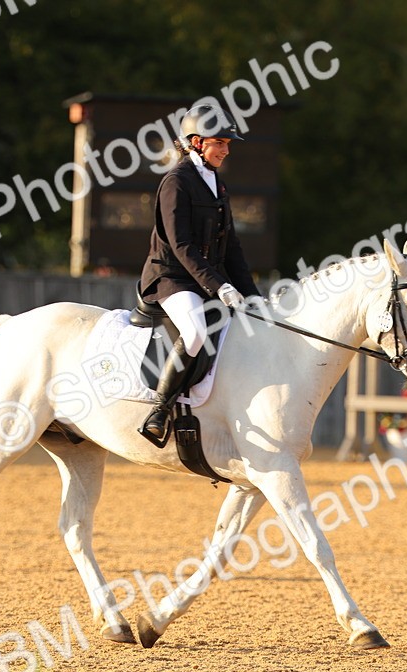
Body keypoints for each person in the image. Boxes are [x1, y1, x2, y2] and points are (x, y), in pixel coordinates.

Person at [136, 104, 261, 446]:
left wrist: (251, 295)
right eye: (220, 142)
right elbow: (181, 245)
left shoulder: (216, 185)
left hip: (202, 280)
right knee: (194, 330)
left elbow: (231, 245)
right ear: (195, 142)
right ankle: (159, 412)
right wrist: (219, 286)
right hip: (171, 278)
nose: (226, 149)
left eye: (227, 143)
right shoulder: (176, 182)